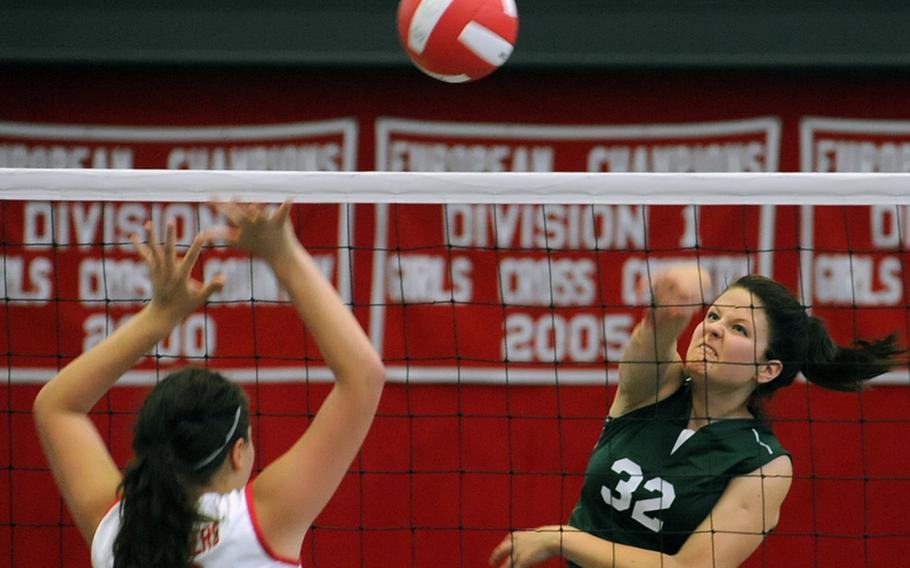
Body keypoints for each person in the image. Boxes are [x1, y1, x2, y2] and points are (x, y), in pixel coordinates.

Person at [33, 201, 386, 567]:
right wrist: (283, 252)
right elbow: (364, 376)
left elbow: (57, 406)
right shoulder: (259, 524)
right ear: (237, 453)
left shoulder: (117, 531)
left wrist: (158, 316)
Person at [490, 264, 901, 568]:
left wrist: (562, 539)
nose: (715, 329)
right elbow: (656, 331)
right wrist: (680, 295)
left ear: (767, 369)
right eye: (714, 316)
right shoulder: (656, 388)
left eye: (740, 329)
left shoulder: (763, 466)